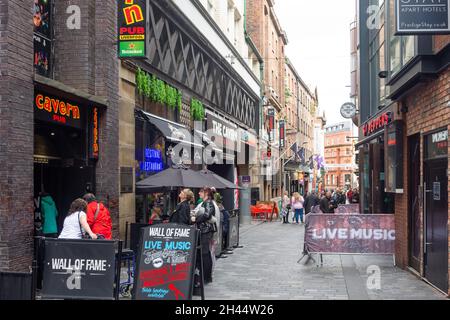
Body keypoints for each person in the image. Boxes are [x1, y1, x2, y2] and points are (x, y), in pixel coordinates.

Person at [193, 187, 216, 284]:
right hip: (203, 230)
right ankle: (206, 276)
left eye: (201, 192)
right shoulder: (205, 202)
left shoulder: (208, 202)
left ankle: (207, 277)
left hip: (206, 231)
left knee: (205, 253)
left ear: (206, 193)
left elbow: (207, 215)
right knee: (204, 253)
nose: (199, 193)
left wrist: (195, 219)